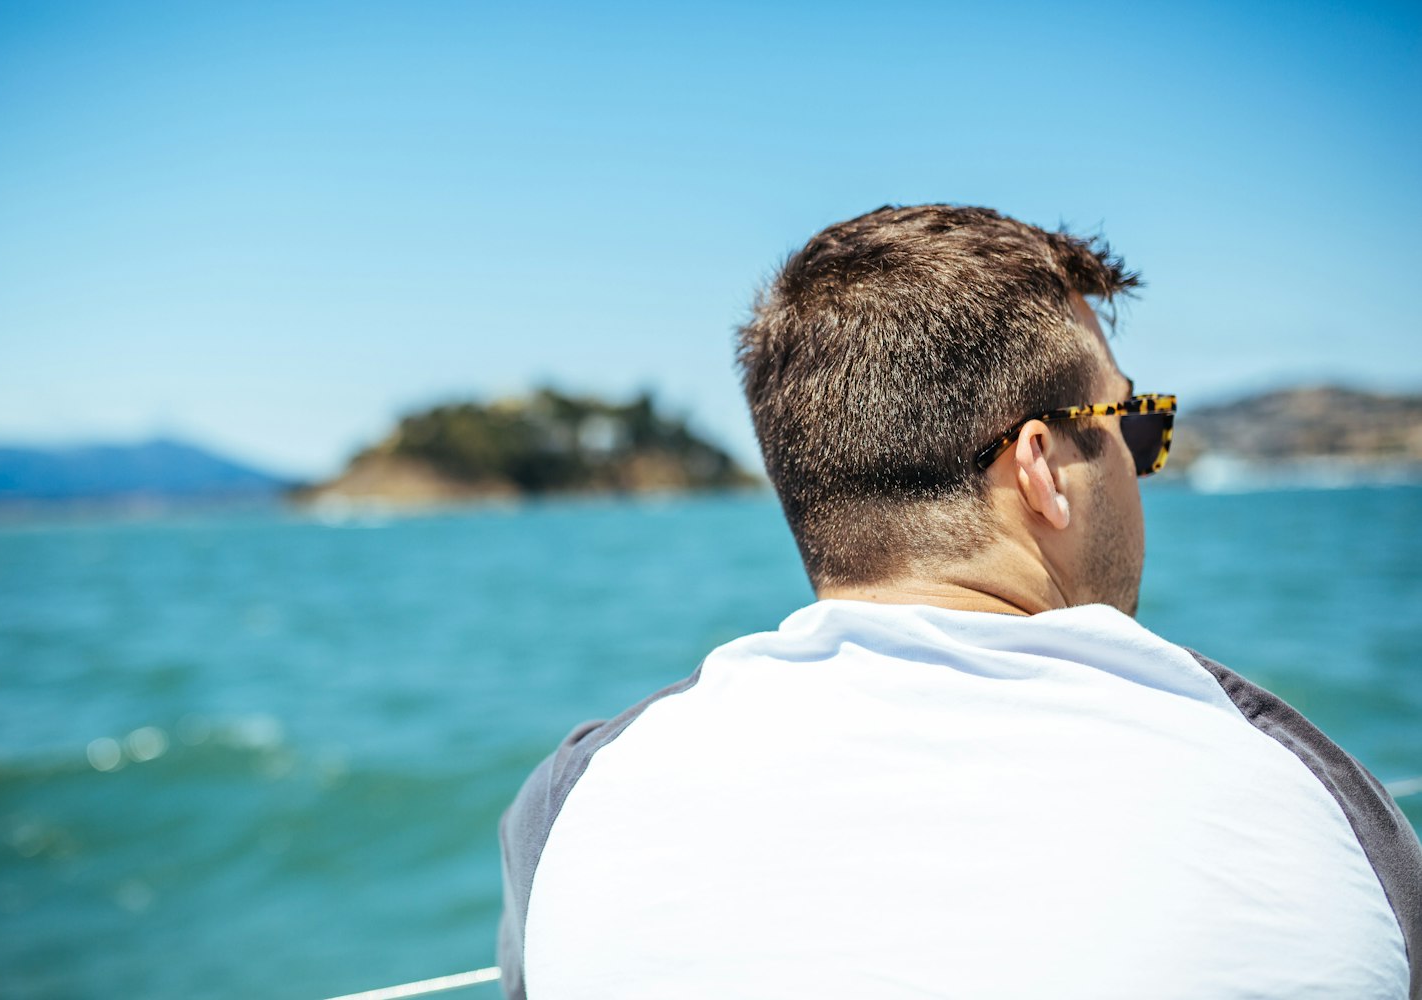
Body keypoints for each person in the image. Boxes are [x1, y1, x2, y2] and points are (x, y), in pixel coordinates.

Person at [496, 204, 1421, 998]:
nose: (1146, 464)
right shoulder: (1313, 801)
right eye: (1135, 425)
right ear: (1042, 467)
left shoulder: (570, 811)